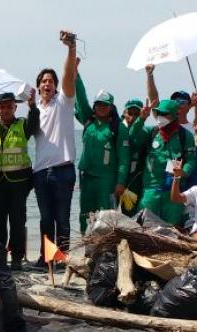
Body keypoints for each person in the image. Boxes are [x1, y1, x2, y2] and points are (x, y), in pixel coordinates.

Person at [30, 30, 80, 262]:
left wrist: (71, 49)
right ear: (38, 86)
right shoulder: (34, 110)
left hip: (63, 170)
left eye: (50, 81)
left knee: (62, 218)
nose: (47, 84)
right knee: (45, 219)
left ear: (56, 87)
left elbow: (68, 76)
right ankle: (46, 257)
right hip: (40, 172)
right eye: (43, 81)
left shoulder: (64, 102)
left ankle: (62, 257)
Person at [0, 91, 39, 269]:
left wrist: (32, 107)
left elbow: (34, 125)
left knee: (17, 222)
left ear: (15, 107)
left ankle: (17, 258)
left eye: (10, 106)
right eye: (3, 107)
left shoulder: (22, 124)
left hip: (19, 183)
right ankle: (0, 257)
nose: (6, 110)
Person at [74, 70, 130, 233]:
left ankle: (105, 250)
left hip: (107, 179)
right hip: (87, 178)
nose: (102, 107)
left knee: (106, 216)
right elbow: (81, 98)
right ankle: (87, 248)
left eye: (105, 105)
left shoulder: (119, 128)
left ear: (112, 107)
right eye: (98, 104)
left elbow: (124, 158)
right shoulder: (88, 120)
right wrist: (76, 75)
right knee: (85, 214)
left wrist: (120, 182)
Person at [128, 99, 197, 226]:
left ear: (174, 116)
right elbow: (132, 136)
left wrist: (184, 171)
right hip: (150, 189)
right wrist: (141, 120)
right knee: (144, 227)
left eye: (165, 114)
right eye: (159, 114)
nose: (161, 117)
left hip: (173, 191)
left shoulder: (185, 136)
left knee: (172, 229)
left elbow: (191, 159)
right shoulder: (151, 132)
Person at [120, 97, 149, 214]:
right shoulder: (118, 129)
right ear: (124, 113)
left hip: (134, 181)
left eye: (136, 114)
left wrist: (141, 120)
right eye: (129, 113)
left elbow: (132, 135)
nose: (132, 117)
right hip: (118, 179)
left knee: (131, 213)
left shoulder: (144, 132)